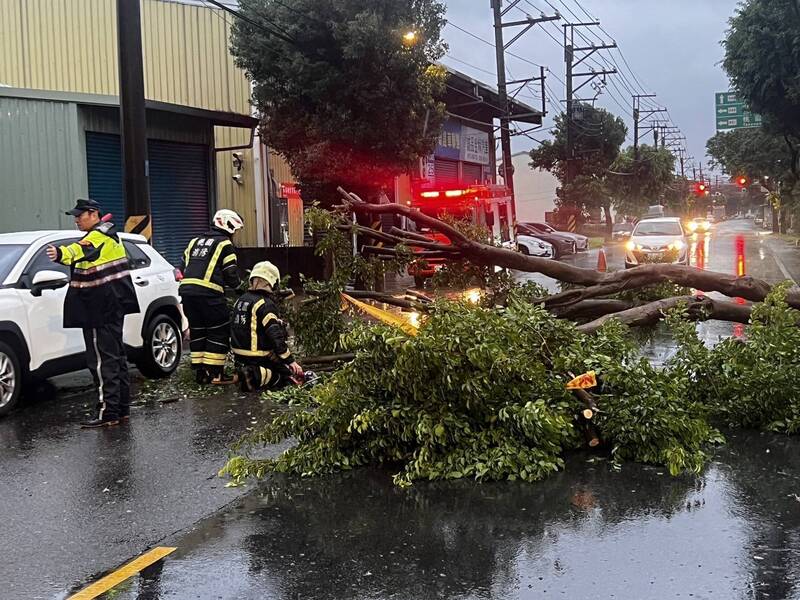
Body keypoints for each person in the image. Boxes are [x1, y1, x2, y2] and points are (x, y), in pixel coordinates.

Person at [46, 199, 140, 428]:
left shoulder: (96, 237)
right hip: (113, 304)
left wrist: (58, 253)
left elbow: (79, 251)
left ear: (93, 213)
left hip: (100, 307)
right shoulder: (109, 234)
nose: (76, 220)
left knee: (101, 362)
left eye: (80, 216)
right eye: (75, 216)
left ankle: (107, 413)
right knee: (116, 359)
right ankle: (120, 410)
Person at [178, 209, 243, 384]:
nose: (234, 234)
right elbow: (230, 273)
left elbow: (182, 267)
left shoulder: (194, 241)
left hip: (187, 294)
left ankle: (201, 374)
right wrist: (241, 290)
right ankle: (215, 374)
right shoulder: (225, 244)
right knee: (218, 330)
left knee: (198, 330)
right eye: (235, 230)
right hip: (209, 295)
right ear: (229, 225)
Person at [230, 261, 304, 392]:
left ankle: (249, 371)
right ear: (272, 282)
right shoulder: (265, 304)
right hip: (257, 355)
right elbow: (275, 336)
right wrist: (290, 361)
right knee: (284, 376)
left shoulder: (241, 299)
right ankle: (253, 375)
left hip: (239, 354)